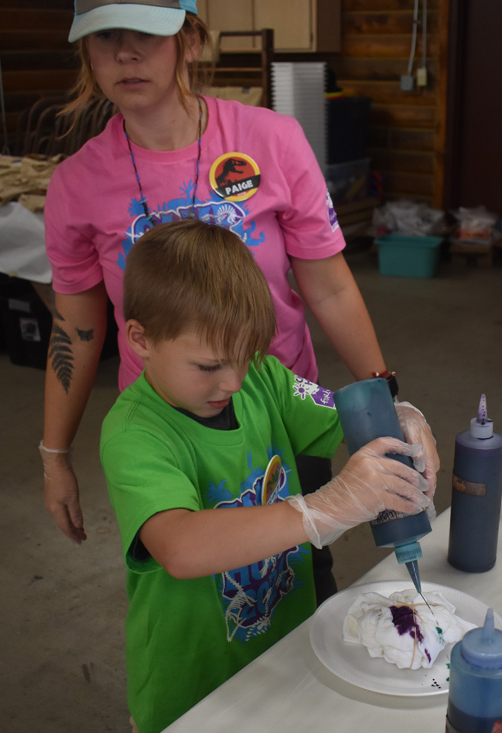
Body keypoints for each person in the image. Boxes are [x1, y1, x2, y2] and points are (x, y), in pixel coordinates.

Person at [39, 0, 435, 602]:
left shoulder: (271, 140)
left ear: (190, 40)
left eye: (147, 33)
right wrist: (55, 455)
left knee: (301, 576)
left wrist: (388, 403)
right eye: (106, 36)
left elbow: (329, 286)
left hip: (283, 408)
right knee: (204, 597)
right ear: (86, 51)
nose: (126, 53)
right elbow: (77, 329)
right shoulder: (77, 183)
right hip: (173, 428)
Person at [101, 219, 436, 733]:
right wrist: (322, 508)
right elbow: (180, 547)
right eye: (208, 365)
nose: (233, 382)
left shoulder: (263, 377)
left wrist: (400, 419)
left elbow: (346, 417)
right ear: (140, 339)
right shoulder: (135, 434)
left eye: (243, 357)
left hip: (286, 656)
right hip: (193, 691)